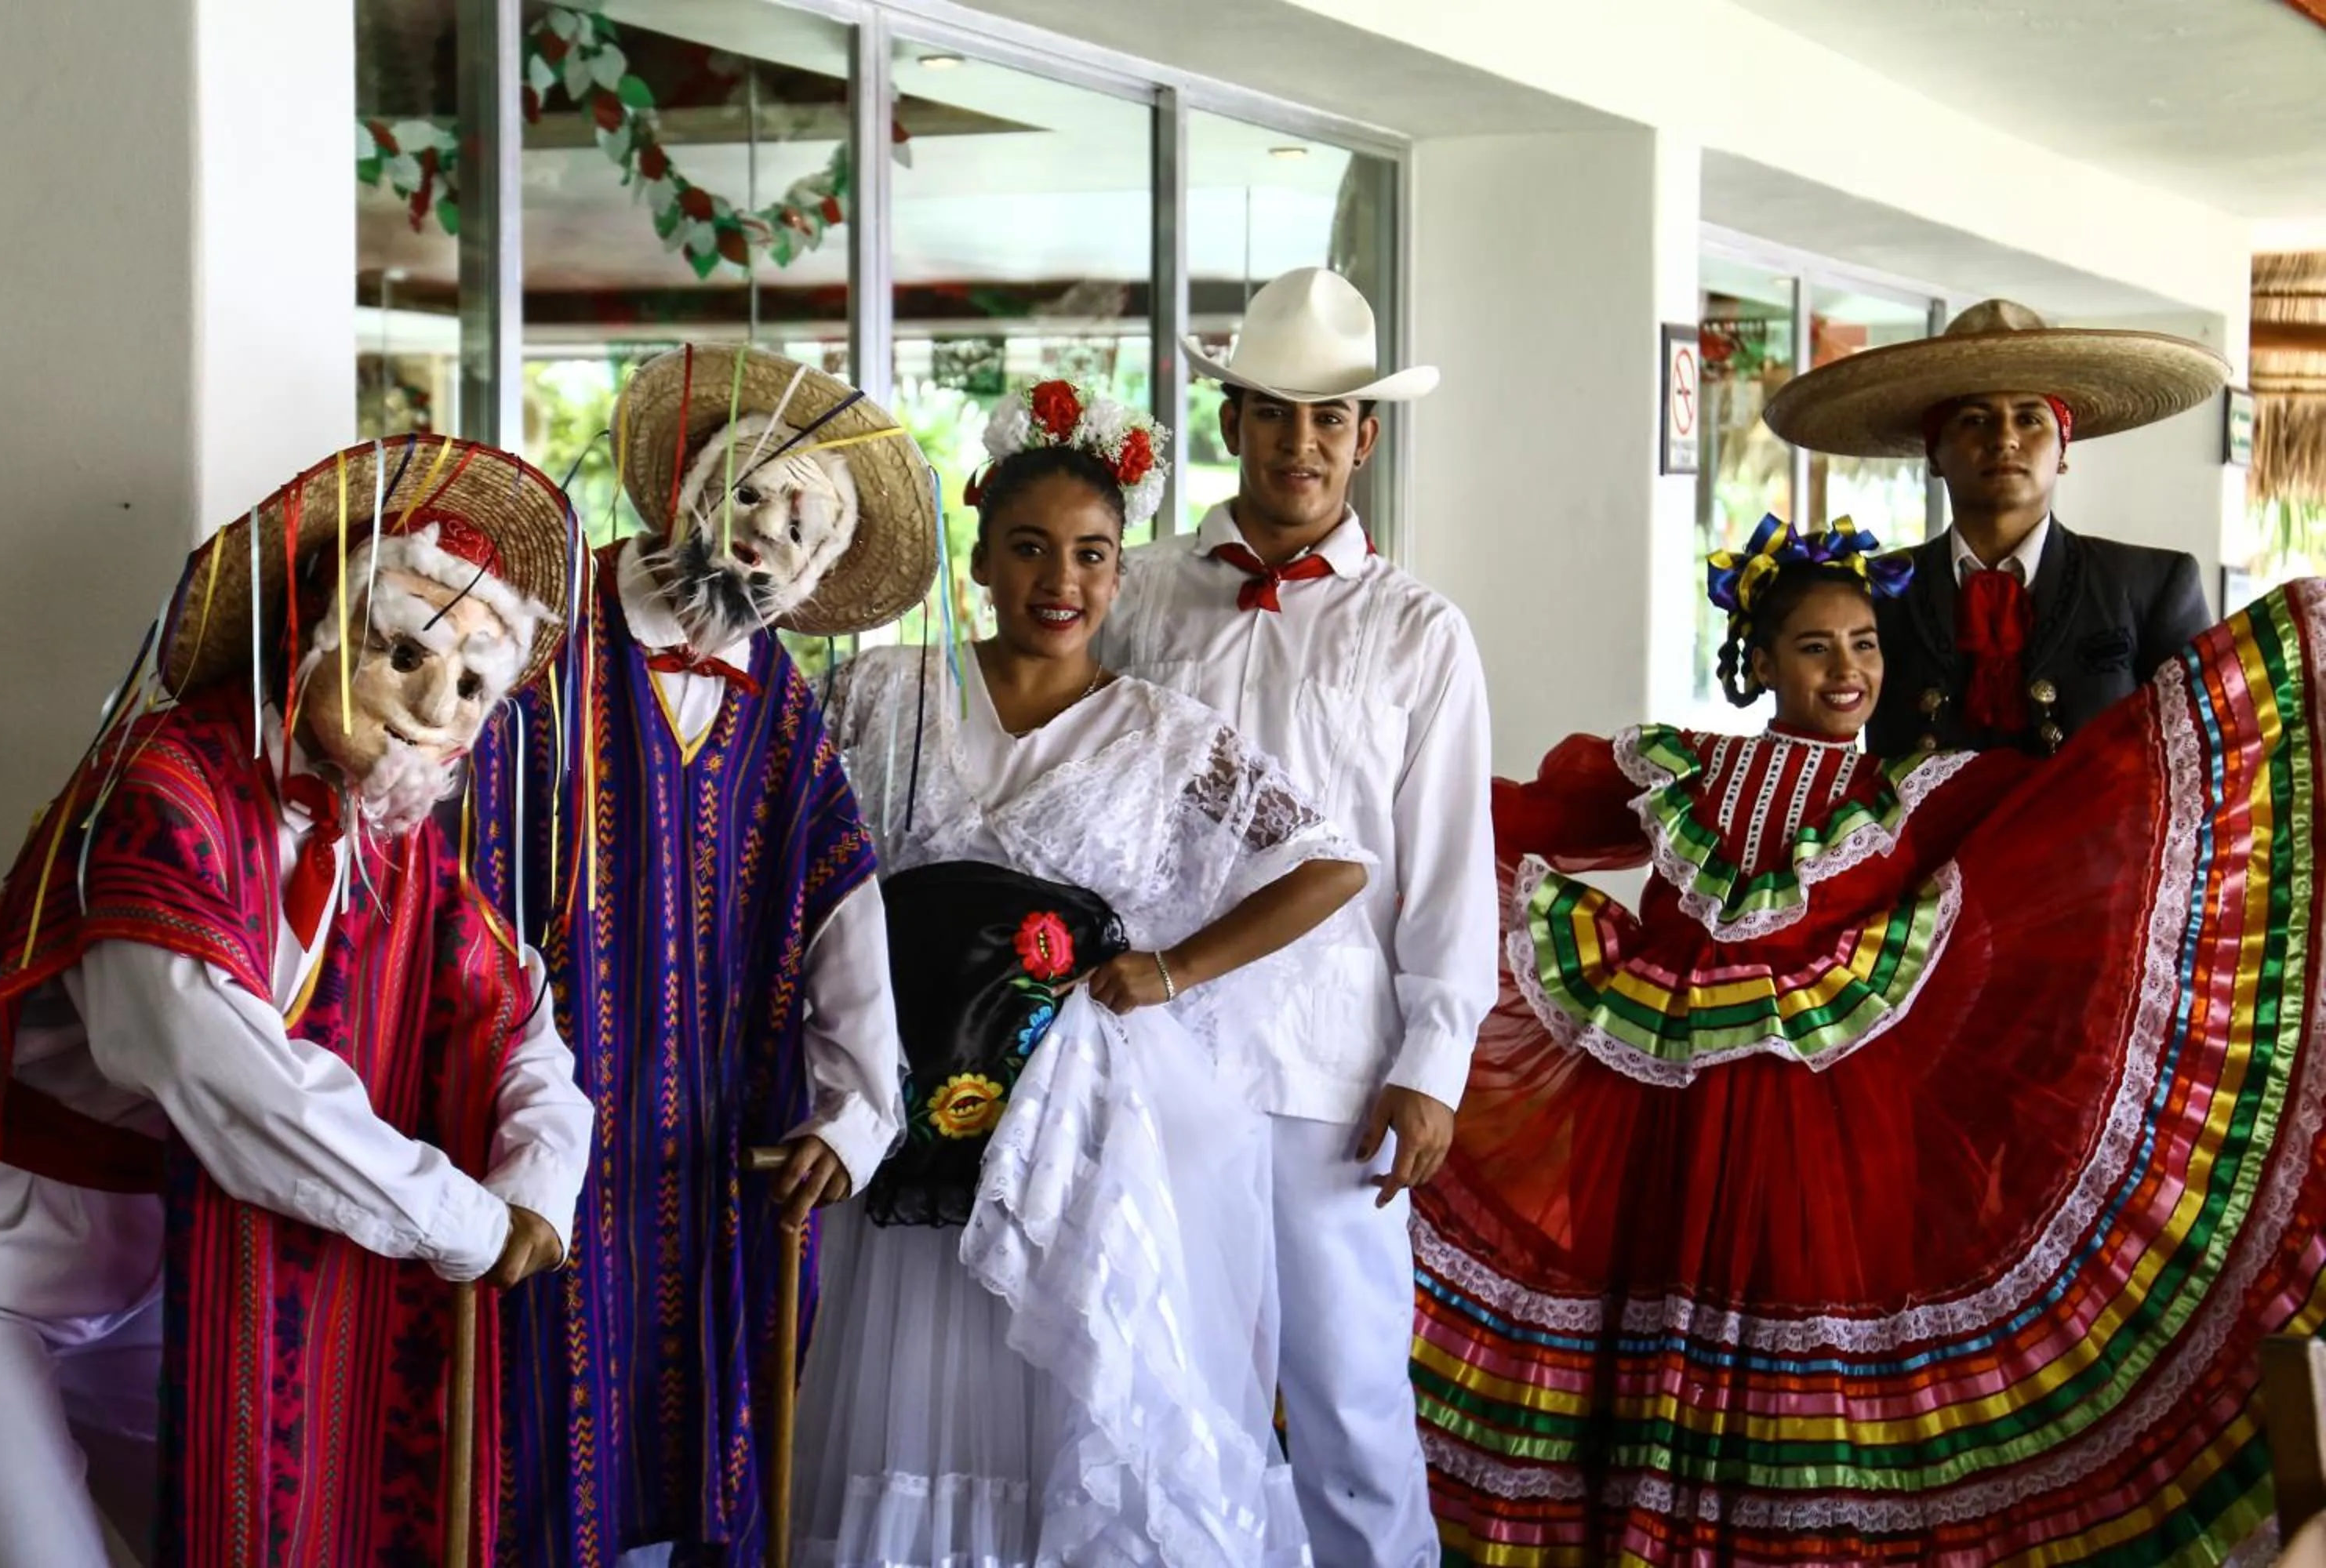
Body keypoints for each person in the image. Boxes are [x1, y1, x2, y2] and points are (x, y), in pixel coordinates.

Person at [1411, 514, 2326, 1564]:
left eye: (1867, 645)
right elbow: (1507, 816)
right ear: (1760, 663)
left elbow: (2092, 796)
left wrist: (2272, 670)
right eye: (1815, 646)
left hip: (1836, 1140)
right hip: (1672, 1124)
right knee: (1664, 1326)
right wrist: (1376, 803)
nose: (1847, 669)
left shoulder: (1915, 790)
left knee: (1823, 1347)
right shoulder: (1679, 770)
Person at [0, 437, 595, 1566]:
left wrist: (543, 1175)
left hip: (170, 1265)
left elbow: (516, 1010)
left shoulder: (383, 834)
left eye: (467, 684)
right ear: (309, 631)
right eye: (401, 652)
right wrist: (461, 1221)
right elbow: (221, 1071)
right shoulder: (164, 788)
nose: (429, 703)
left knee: (254, 1532)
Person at [792, 383, 1369, 1566]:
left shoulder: (1167, 734)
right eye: (1031, 548)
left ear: (1121, 574)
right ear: (983, 562)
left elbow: (1328, 865)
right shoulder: (878, 695)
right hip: (899, 1086)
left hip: (1078, 1111)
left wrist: (1173, 969)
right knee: (904, 1362)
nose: (1062, 579)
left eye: (1093, 555)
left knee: (1068, 1376)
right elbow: (774, 843)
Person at [471, 347, 925, 1567]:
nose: (768, 536)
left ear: (823, 572)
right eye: (753, 496)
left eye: (806, 527)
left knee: (709, 1436)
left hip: (718, 1147)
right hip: (533, 1118)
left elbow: (845, 913)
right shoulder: (536, 651)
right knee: (528, 1450)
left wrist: (856, 1114)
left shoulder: (783, 703)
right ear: (685, 491)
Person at [1098, 266, 1495, 1566]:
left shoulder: (1417, 632)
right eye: (1274, 412)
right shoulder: (1138, 592)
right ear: (1233, 424)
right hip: (1151, 1059)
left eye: (1331, 420)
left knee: (1351, 1401)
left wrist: (1433, 1067)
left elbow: (1446, 869)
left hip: (1332, 1075)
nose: (1301, 443)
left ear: (1367, 438)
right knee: (1164, 1391)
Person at [1763, 297, 2229, 757]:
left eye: (2029, 419)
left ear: (2063, 451)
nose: (2005, 438)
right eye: (1975, 420)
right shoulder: (1879, 588)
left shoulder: (2151, 584)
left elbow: (2201, 757)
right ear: (1933, 455)